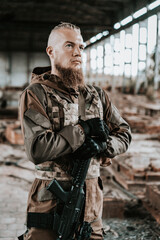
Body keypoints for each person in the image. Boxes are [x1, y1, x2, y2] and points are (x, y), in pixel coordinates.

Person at [19, 22, 131, 240]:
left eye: (81, 47)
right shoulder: (36, 94)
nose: (78, 53)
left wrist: (103, 145)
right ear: (51, 52)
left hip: (90, 205)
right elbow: (37, 148)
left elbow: (124, 133)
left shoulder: (97, 95)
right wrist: (83, 130)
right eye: (70, 46)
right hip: (49, 202)